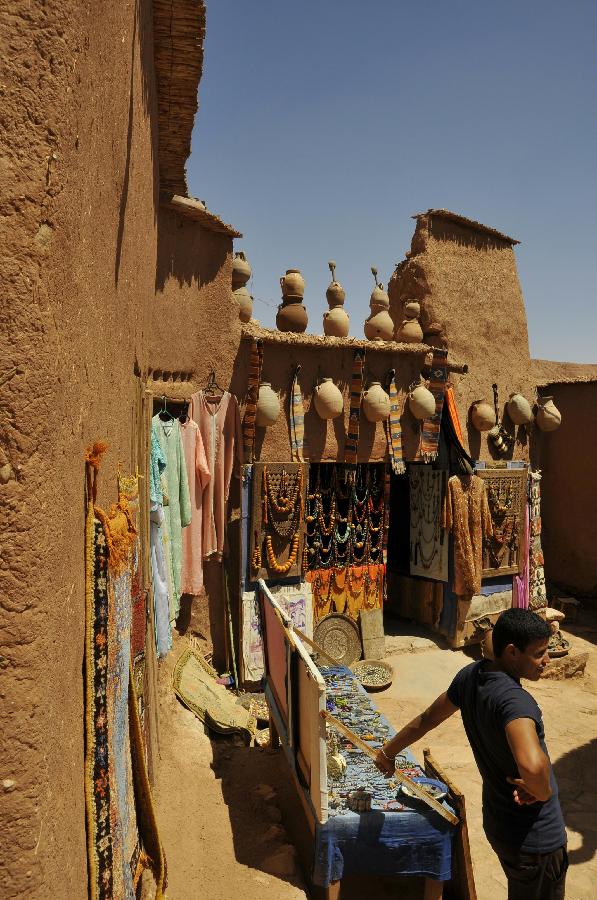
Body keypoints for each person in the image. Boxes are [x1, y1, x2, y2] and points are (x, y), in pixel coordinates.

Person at [375, 608, 567, 899]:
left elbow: (426, 719)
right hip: (536, 840)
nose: (546, 661)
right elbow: (531, 763)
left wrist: (388, 752)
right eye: (539, 653)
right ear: (512, 652)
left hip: (500, 825)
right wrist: (541, 791)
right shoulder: (516, 703)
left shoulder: (470, 676)